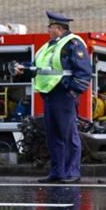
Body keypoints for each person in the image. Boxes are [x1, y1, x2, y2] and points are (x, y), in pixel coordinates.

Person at [15, 11, 92, 183]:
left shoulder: (73, 43)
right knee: (53, 136)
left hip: (64, 95)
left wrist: (73, 92)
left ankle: (72, 173)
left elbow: (84, 72)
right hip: (50, 94)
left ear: (58, 28)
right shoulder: (49, 45)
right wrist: (24, 69)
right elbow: (40, 67)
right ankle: (58, 172)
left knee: (68, 135)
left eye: (50, 27)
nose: (48, 29)